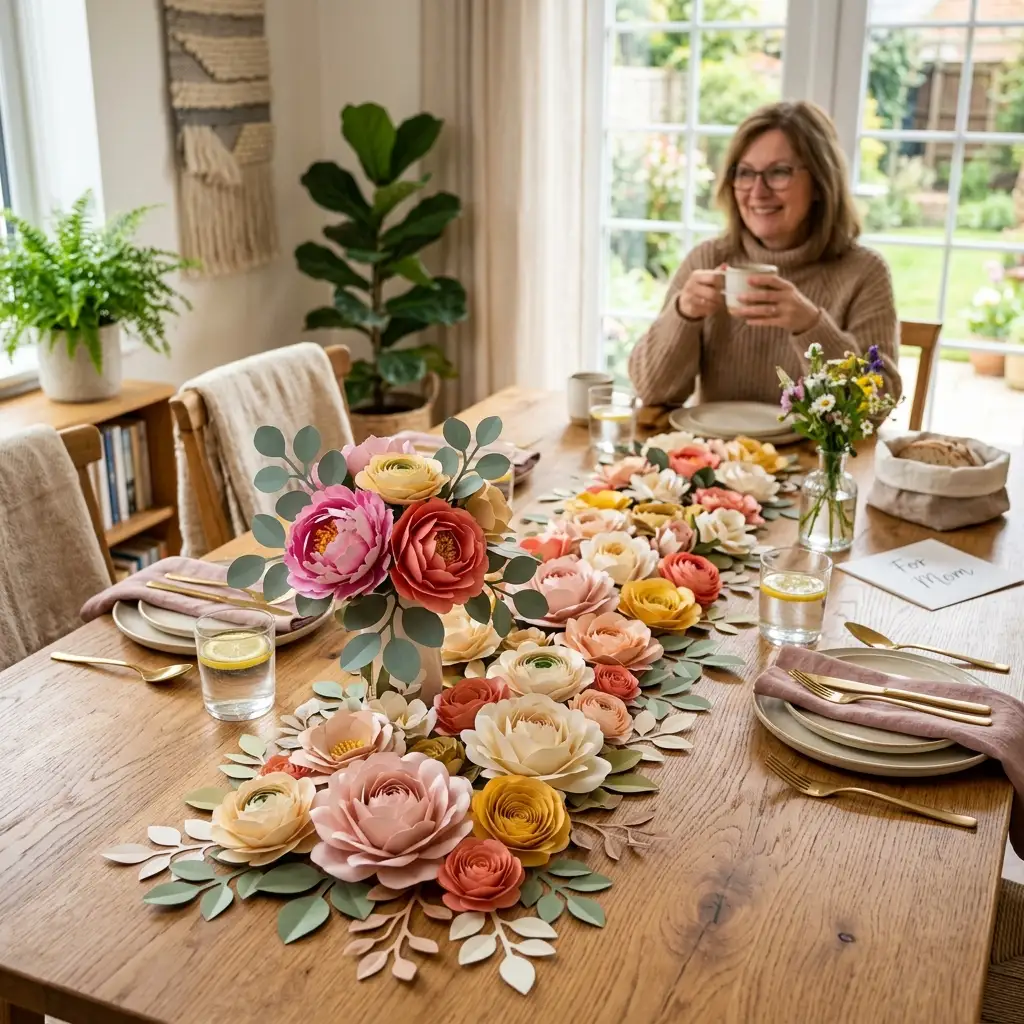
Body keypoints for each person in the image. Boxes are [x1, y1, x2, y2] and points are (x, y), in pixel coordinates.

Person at [628, 101, 902, 411]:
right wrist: (683, 313)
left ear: (820, 183)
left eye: (779, 172)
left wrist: (810, 325)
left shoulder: (864, 272)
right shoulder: (708, 260)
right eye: (745, 173)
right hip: (720, 455)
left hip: (816, 457)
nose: (757, 191)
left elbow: (877, 405)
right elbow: (651, 392)